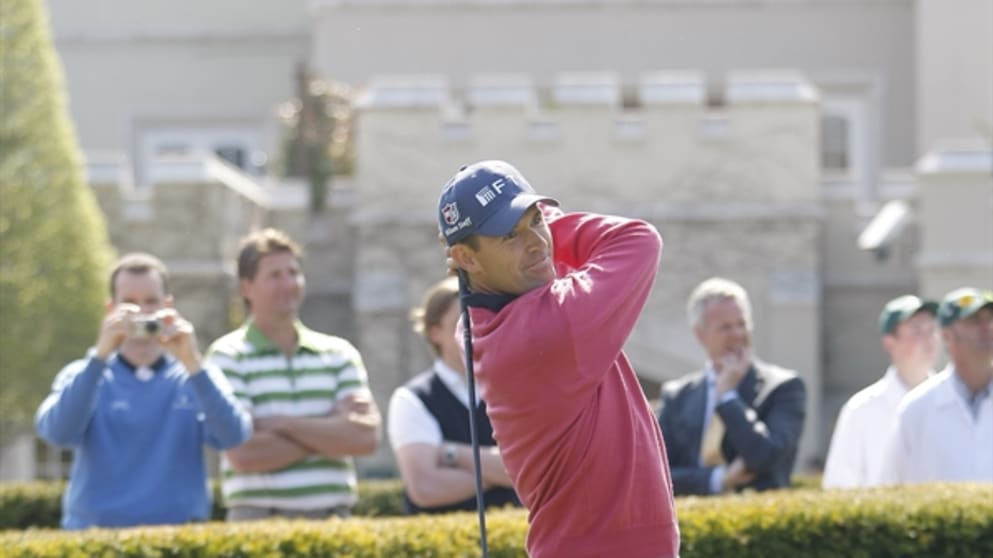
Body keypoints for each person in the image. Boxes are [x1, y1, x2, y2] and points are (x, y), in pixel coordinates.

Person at [438, 160, 679, 558]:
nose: (535, 241)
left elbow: (517, 274)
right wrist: (552, 226)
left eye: (536, 221)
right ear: (465, 258)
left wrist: (523, 235)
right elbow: (638, 239)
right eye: (510, 235)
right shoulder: (553, 327)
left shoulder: (479, 324)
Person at [35, 253, 252, 529]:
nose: (141, 314)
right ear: (110, 309)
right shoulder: (84, 374)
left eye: (151, 302)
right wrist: (99, 357)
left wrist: (193, 363)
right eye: (129, 304)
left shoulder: (195, 376)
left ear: (168, 306)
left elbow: (233, 435)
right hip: (95, 539)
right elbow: (57, 433)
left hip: (178, 539)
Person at [206, 228, 381, 520]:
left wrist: (282, 424)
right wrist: (330, 430)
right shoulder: (226, 356)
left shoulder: (339, 353)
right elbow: (243, 453)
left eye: (293, 272)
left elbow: (364, 438)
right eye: (274, 275)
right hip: (259, 524)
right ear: (246, 287)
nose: (288, 283)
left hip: (335, 522)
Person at [657, 277, 807, 496]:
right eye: (725, 327)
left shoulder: (784, 387)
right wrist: (719, 479)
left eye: (742, 324)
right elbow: (658, 474)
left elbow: (766, 457)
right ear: (700, 334)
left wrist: (727, 397)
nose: (737, 334)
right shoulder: (677, 396)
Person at [387, 276, 520, 514]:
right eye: (464, 321)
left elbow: (534, 469)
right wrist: (502, 472)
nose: (478, 327)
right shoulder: (412, 399)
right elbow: (425, 488)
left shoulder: (514, 389)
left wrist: (451, 454)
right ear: (434, 332)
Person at [877, 287, 993, 484]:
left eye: (990, 319)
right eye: (973, 321)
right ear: (947, 336)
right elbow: (891, 488)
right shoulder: (916, 408)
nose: (986, 328)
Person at [821, 295, 939, 489]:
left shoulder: (955, 400)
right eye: (916, 331)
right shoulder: (861, 409)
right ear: (890, 342)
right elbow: (839, 485)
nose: (928, 339)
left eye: (931, 330)